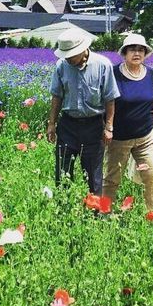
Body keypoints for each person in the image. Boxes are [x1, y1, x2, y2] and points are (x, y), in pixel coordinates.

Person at [46, 27, 120, 197]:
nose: (68, 58)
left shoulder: (103, 65)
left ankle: (98, 216)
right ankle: (63, 212)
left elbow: (110, 98)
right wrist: (52, 123)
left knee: (94, 176)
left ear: (82, 50)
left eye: (71, 54)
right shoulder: (61, 66)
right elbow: (56, 96)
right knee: (63, 173)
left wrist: (109, 127)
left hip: (93, 126)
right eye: (65, 55)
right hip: (68, 125)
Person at [102, 33, 153, 216]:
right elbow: (104, 102)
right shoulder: (112, 74)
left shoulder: (151, 74)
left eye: (141, 50)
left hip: (146, 138)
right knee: (111, 179)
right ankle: (104, 213)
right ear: (124, 53)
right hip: (119, 139)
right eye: (132, 49)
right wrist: (107, 128)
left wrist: (152, 126)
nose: (137, 53)